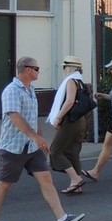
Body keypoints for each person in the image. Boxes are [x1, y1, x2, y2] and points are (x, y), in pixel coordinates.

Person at [0, 56, 85, 221]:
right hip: (12, 147)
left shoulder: (31, 90)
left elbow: (33, 118)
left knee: (46, 179)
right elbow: (14, 116)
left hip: (31, 147)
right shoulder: (12, 91)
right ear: (27, 70)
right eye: (37, 69)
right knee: (5, 183)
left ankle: (62, 218)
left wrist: (40, 139)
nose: (39, 71)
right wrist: (34, 137)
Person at [47, 55, 90, 194]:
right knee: (72, 152)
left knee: (55, 151)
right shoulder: (81, 82)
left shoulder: (71, 81)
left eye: (64, 67)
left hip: (70, 121)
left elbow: (70, 101)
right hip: (80, 120)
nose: (63, 70)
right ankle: (76, 185)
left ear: (69, 68)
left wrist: (59, 117)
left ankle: (75, 179)